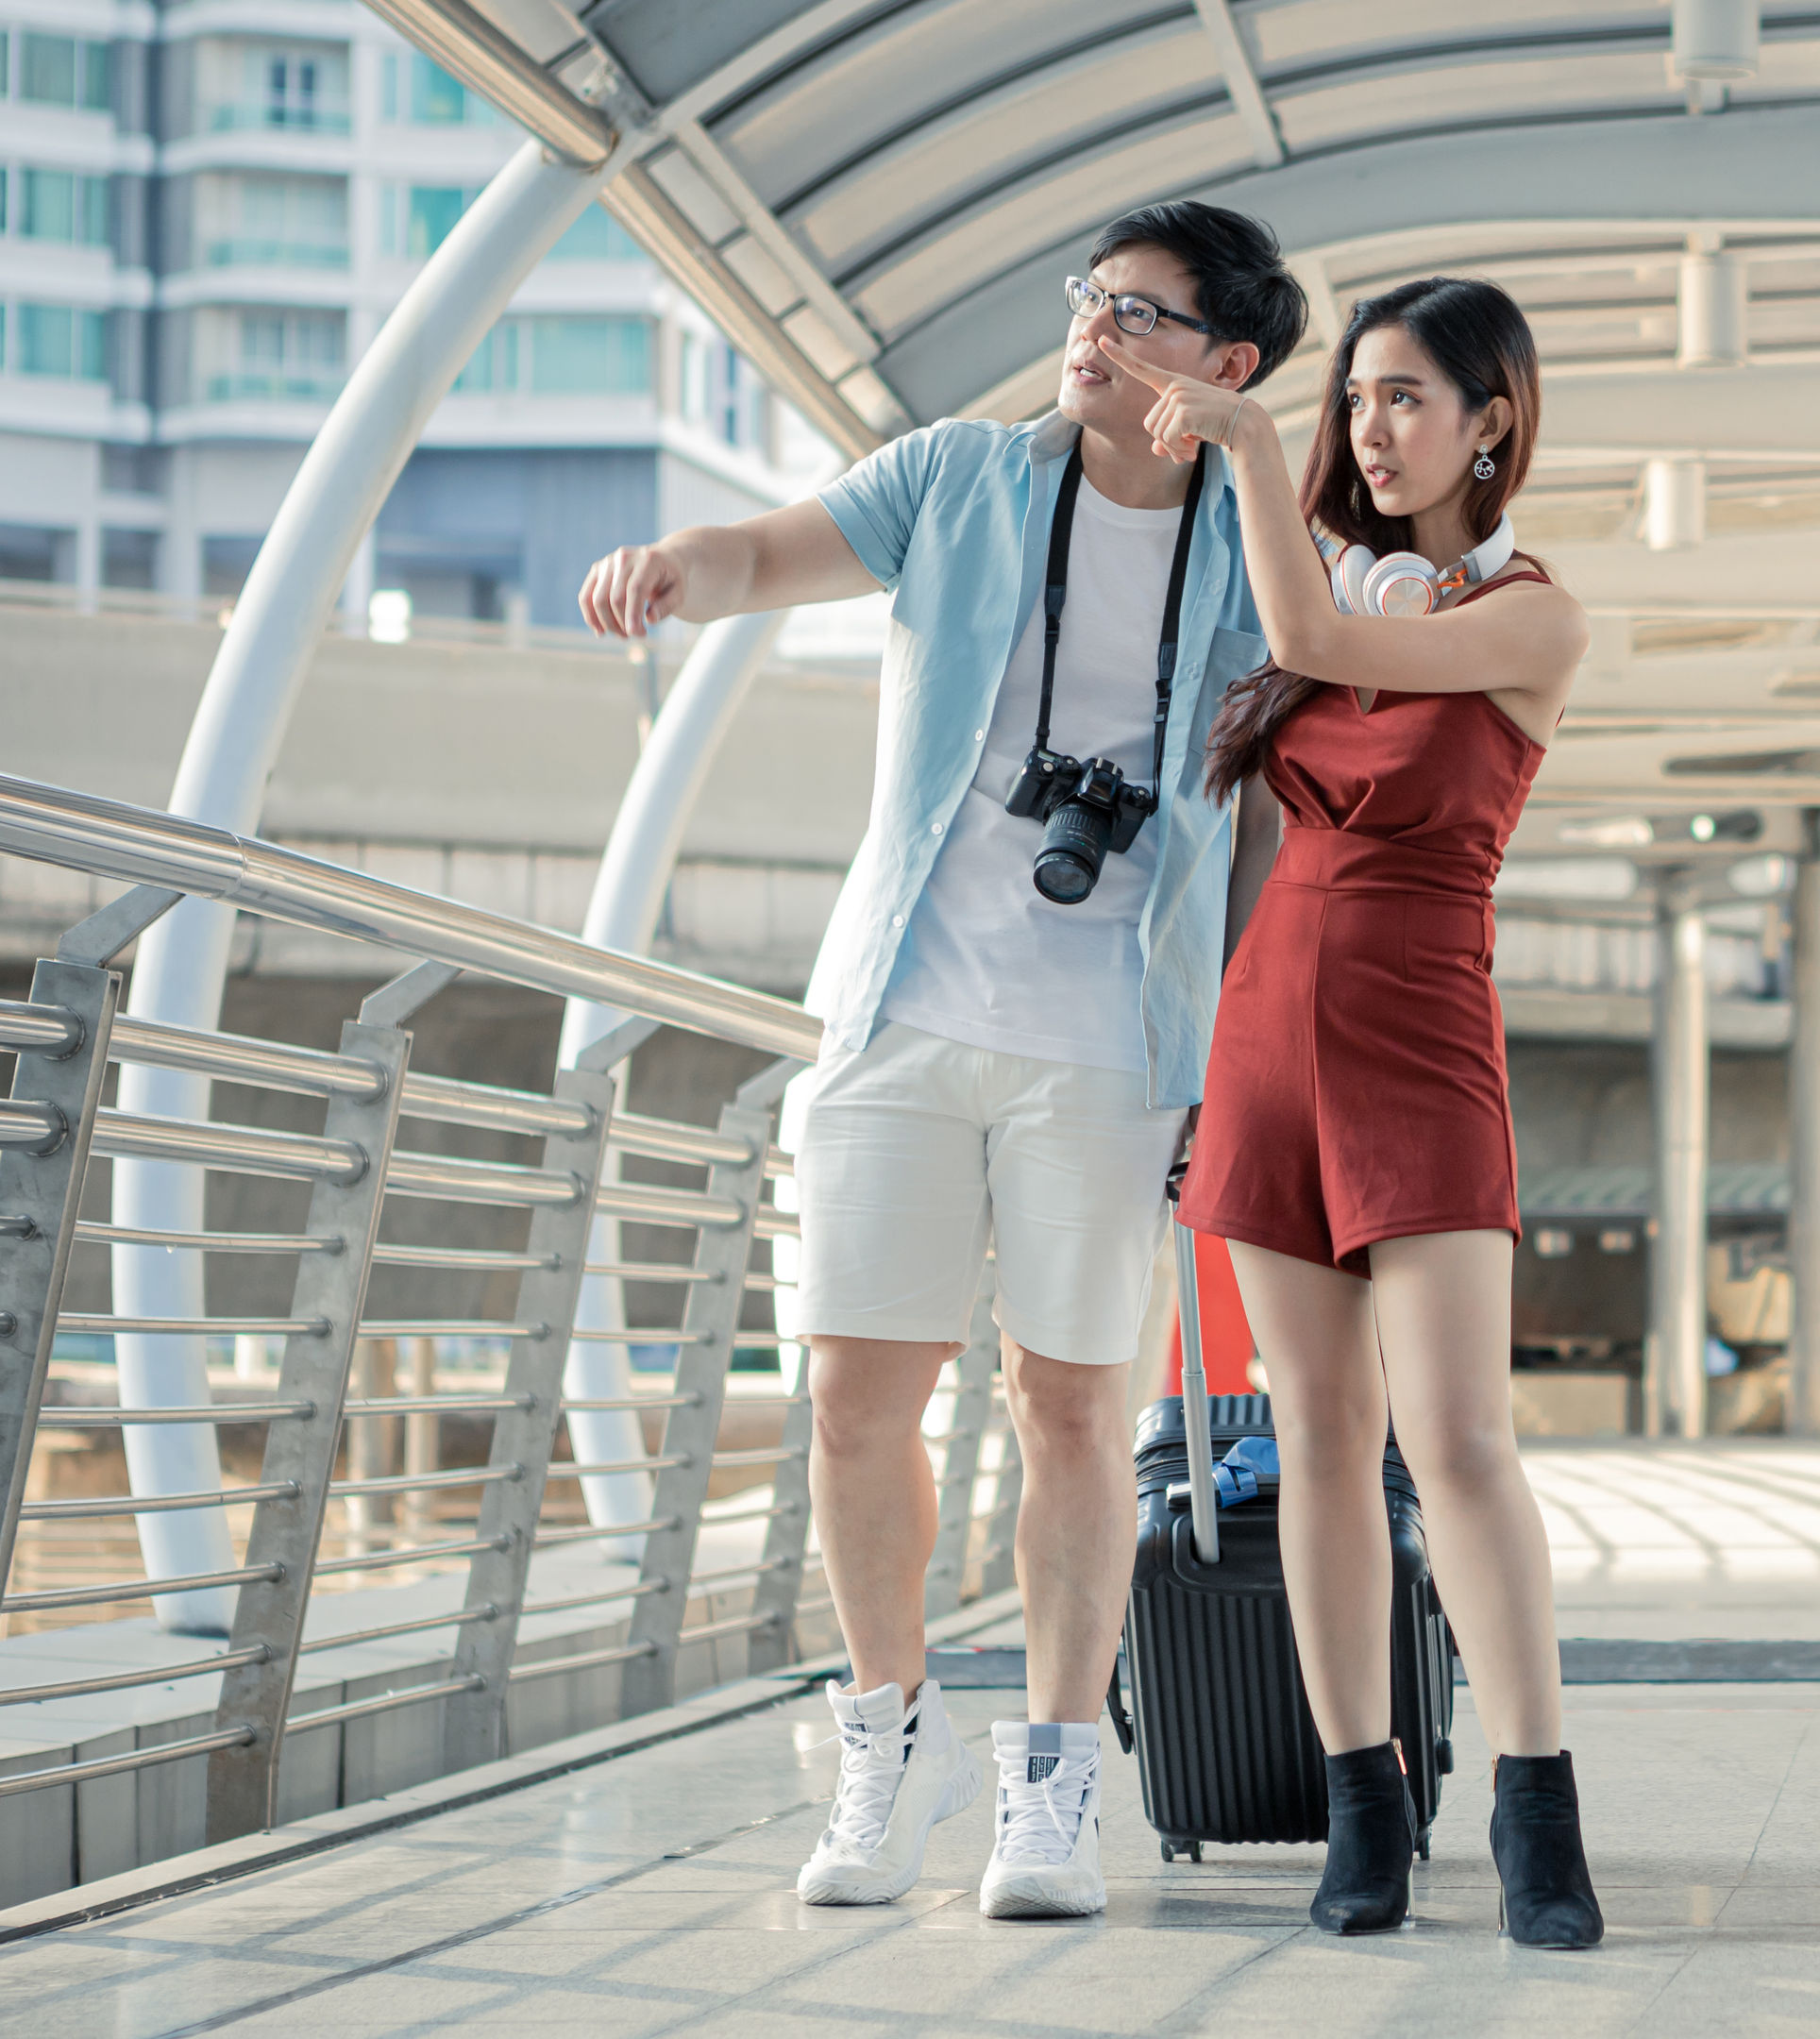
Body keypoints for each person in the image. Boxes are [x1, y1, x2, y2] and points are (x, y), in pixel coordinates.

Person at [576, 204, 1307, 1918]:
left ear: (1230, 365)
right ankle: (885, 1748)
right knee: (851, 1405)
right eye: (1091, 301)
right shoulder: (962, 478)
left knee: (1072, 1407)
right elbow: (769, 554)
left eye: (1143, 315)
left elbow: (1274, 814)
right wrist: (680, 565)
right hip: (902, 1013)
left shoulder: (1263, 552)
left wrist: (1235, 1058)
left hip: (1111, 1048)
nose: (1096, 332)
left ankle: (1053, 1782)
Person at [1097, 276, 1604, 1948]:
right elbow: (1242, 850)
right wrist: (1193, 1071)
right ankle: (1358, 1802)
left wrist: (1243, 437)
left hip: (1421, 1037)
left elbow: (1322, 642)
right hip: (1265, 1050)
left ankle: (1538, 1804)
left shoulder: (1530, 618)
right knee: (1311, 1440)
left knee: (1455, 1439)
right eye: (1355, 403)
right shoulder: (1318, 585)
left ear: (1491, 422)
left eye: (1402, 400)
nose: (1368, 432)